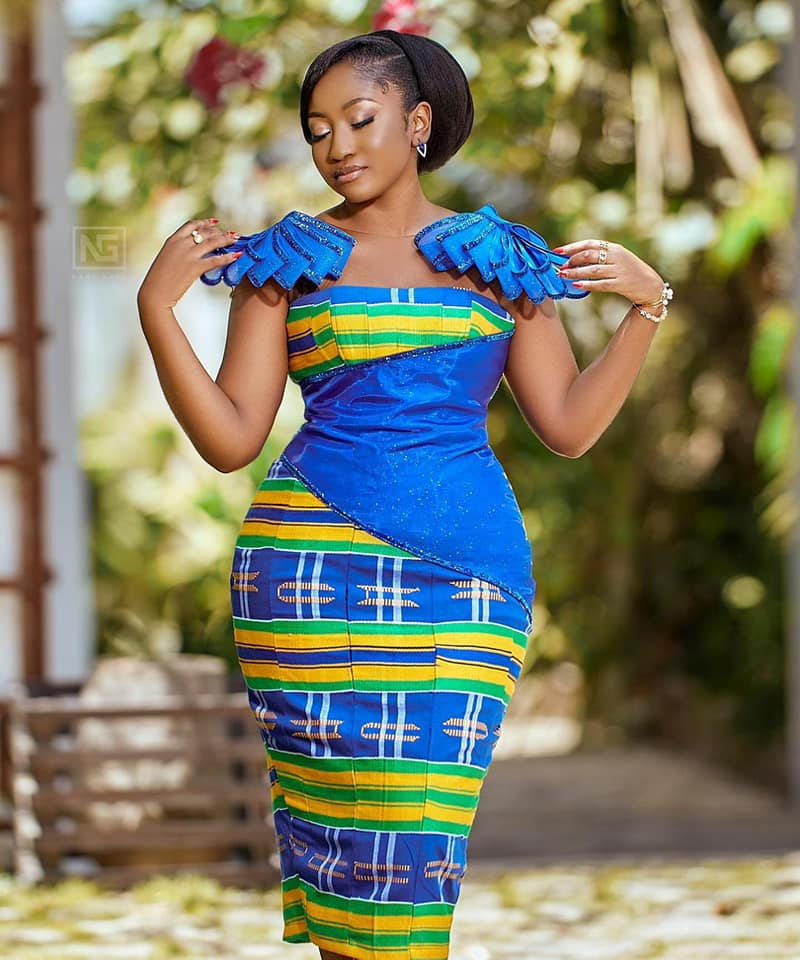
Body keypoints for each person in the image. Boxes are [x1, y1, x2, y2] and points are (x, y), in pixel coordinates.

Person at [137, 27, 672, 960]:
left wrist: (645, 308)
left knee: (420, 840)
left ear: (418, 122)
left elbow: (568, 425)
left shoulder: (497, 258)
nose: (336, 147)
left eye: (359, 120)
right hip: (308, 573)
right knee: (344, 844)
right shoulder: (286, 262)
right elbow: (231, 440)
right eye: (317, 131)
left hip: (466, 582)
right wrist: (156, 308)